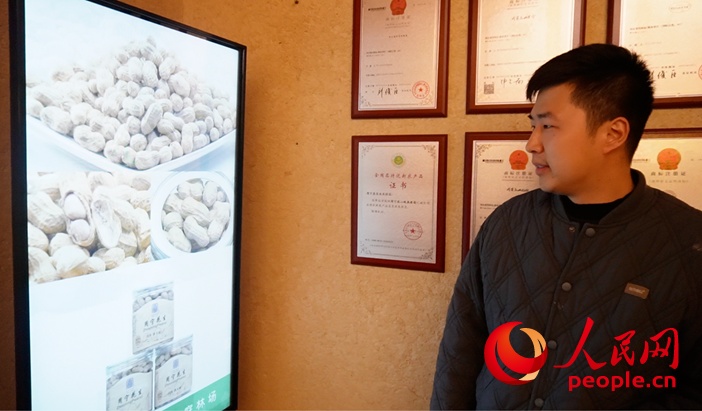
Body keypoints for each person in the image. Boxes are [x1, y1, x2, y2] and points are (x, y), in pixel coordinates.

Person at [430, 43, 702, 410]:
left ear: (613, 133)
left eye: (547, 126)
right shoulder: (506, 223)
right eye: (533, 126)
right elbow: (460, 350)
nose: (531, 144)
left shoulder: (688, 242)